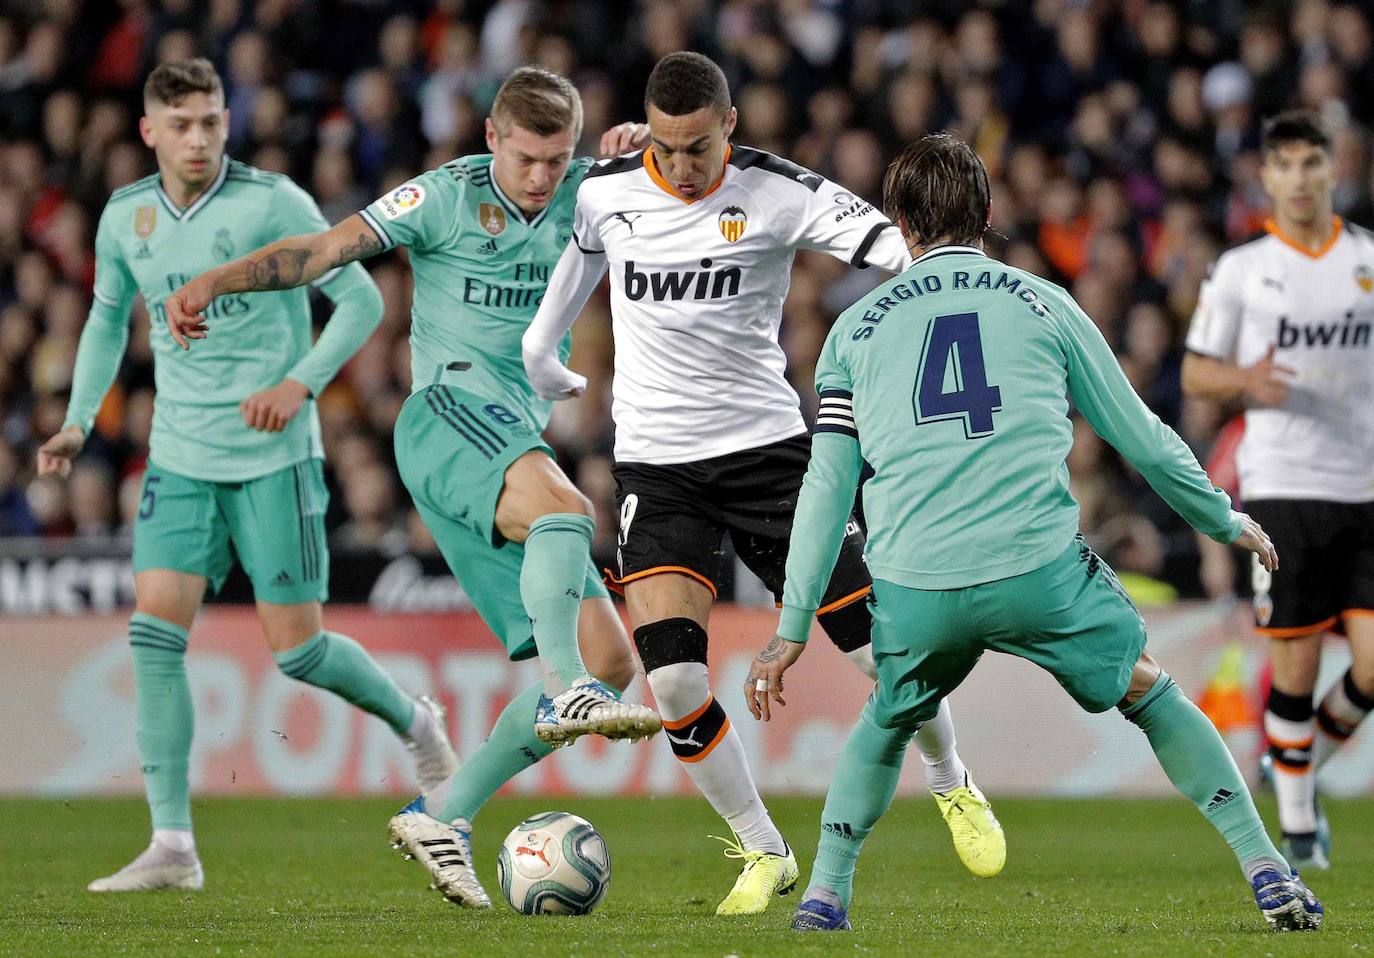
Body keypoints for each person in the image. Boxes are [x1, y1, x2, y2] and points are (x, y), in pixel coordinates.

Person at [745, 133, 1323, 934]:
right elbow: (1143, 437)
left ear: (901, 224)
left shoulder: (854, 330)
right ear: (987, 215)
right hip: (1038, 570)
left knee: (888, 717)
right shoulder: (1044, 300)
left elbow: (827, 486)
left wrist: (791, 627)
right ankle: (1267, 868)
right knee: (1149, 691)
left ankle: (826, 893)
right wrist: (1220, 518)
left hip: (917, 584)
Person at [164, 68, 659, 909]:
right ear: (493, 138)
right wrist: (216, 280)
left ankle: (444, 813)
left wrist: (645, 158)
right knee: (572, 513)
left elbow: (702, 186)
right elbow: (320, 252)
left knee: (613, 658)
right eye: (527, 157)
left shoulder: (593, 191)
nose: (541, 177)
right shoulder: (442, 198)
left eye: (558, 158)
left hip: (510, 440)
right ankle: (562, 686)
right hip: (444, 415)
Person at [522, 52, 1004, 916]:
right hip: (658, 466)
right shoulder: (609, 190)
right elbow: (580, 255)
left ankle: (951, 778)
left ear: (731, 124)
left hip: (771, 458)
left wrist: (957, 296)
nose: (679, 165)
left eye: (698, 147)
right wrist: (540, 347)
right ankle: (762, 846)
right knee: (671, 684)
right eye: (664, 148)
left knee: (881, 652)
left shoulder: (783, 193)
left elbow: (900, 248)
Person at [36, 59, 457, 893]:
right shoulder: (125, 218)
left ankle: (417, 722)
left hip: (275, 455)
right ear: (150, 131)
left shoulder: (274, 204)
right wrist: (80, 421)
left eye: (212, 121)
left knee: (296, 652)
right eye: (181, 124)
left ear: (228, 122)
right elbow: (105, 318)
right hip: (181, 453)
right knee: (155, 631)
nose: (199, 138)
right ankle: (172, 845)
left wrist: (299, 382)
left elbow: (365, 303)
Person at [1183, 109, 1374, 871]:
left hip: (1365, 484)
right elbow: (1197, 372)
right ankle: (1299, 826)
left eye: (1312, 163)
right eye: (1285, 165)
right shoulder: (1241, 269)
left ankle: (1292, 768)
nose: (1300, 179)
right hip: (1284, 484)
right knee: (1294, 669)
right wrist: (1246, 380)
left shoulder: (1367, 259)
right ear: (1266, 177)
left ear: (1336, 169)